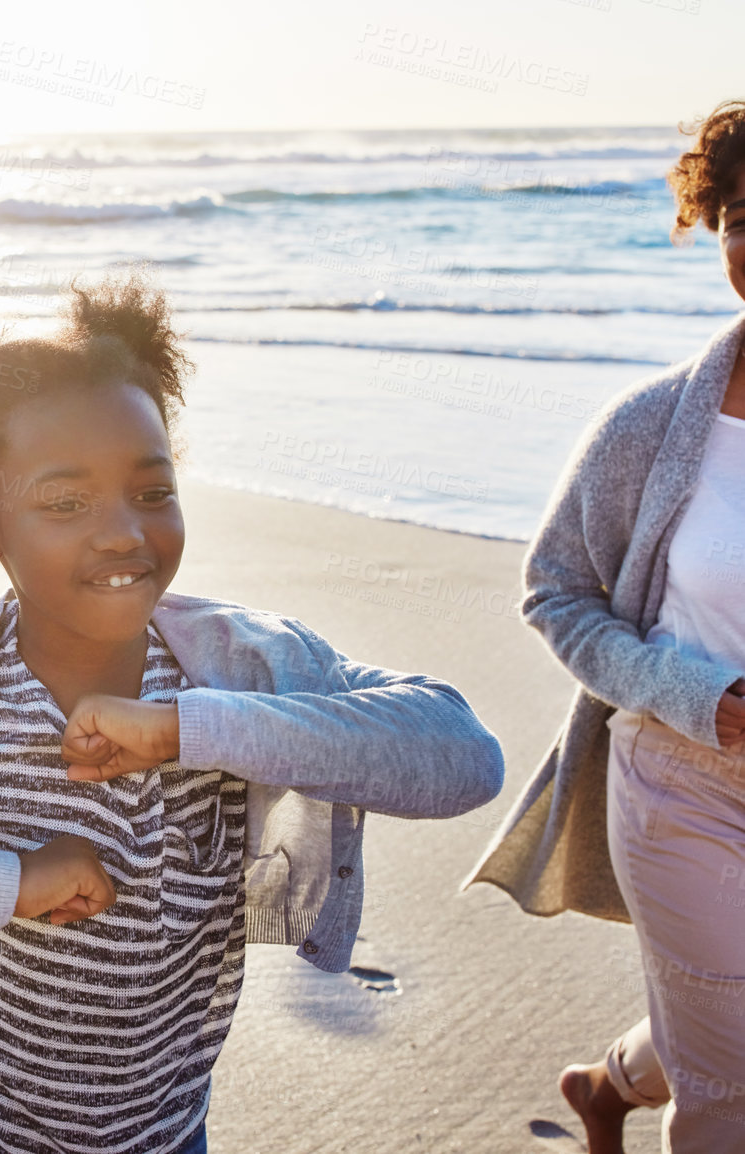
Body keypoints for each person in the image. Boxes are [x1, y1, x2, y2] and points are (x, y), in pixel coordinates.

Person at [0, 274, 505, 1154]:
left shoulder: (241, 667)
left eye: (151, 492)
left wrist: (190, 729)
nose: (123, 531)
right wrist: (9, 882)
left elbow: (462, 753)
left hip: (159, 1132)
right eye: (66, 504)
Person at [465, 100, 745, 1154]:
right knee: (734, 1089)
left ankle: (605, 1082)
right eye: (743, 213)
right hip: (683, 789)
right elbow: (554, 590)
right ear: (716, 231)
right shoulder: (649, 428)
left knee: (720, 1027)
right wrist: (692, 695)